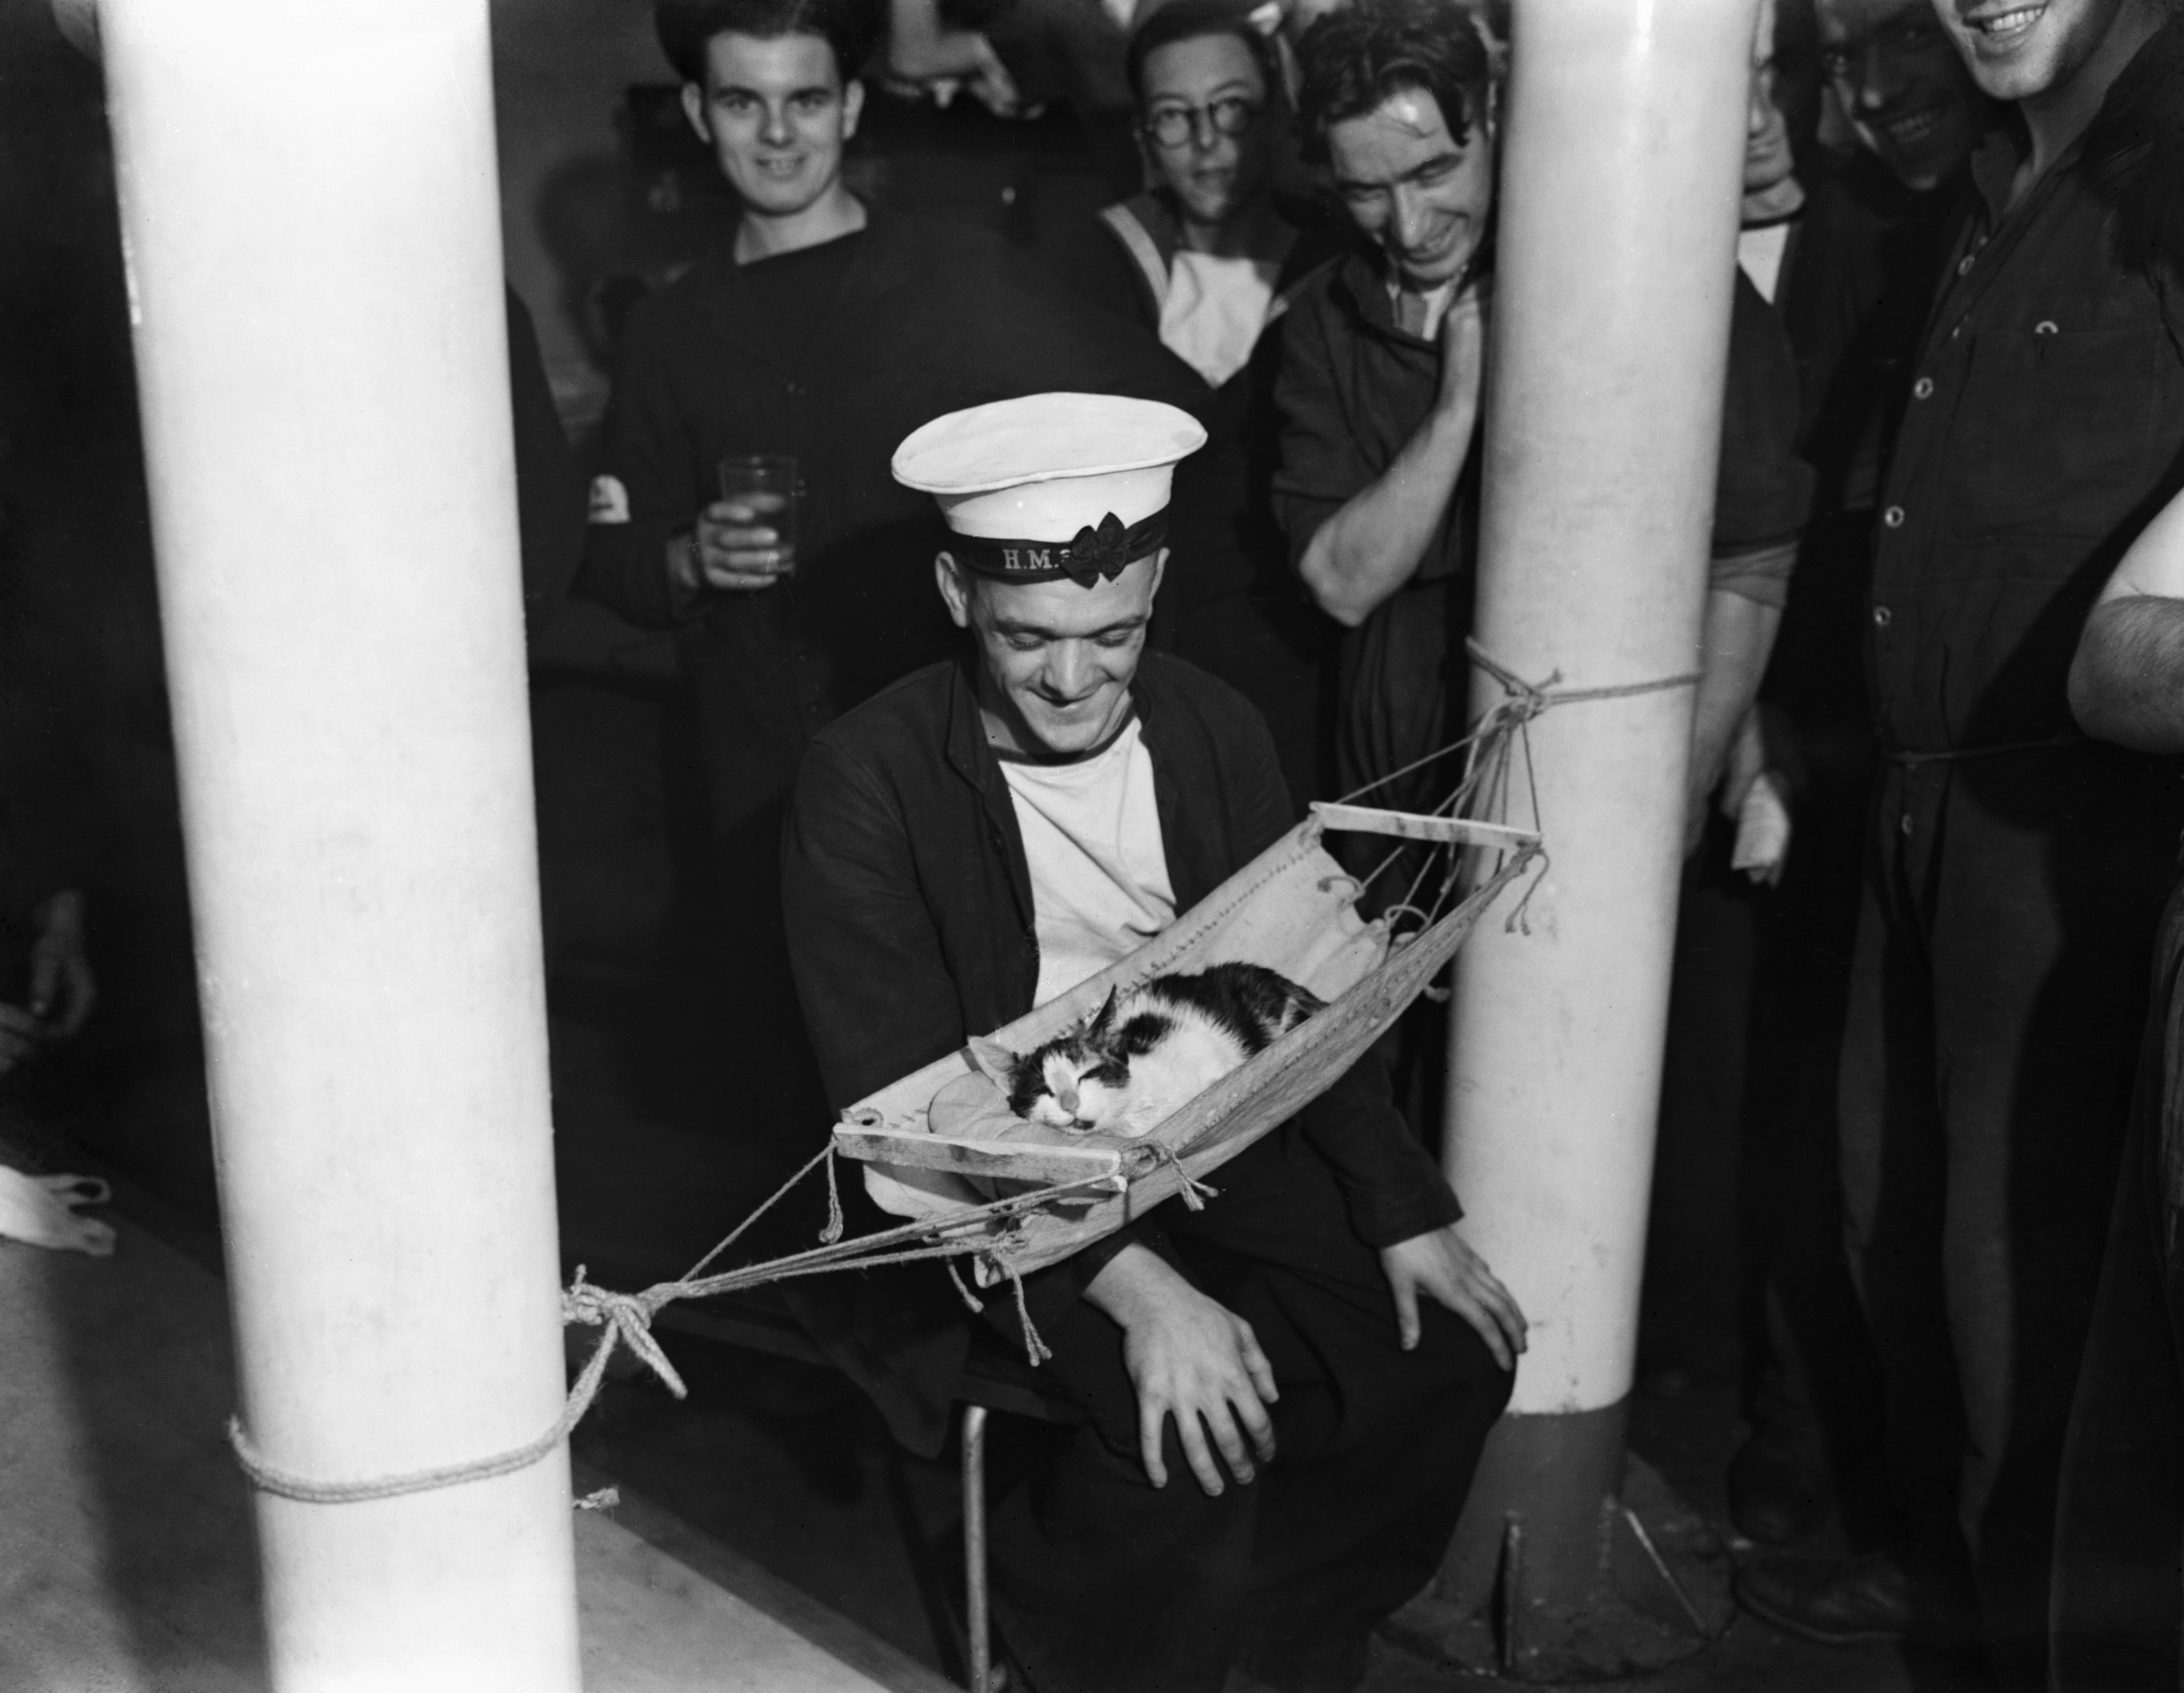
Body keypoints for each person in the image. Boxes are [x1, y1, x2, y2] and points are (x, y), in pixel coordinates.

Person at [781, 393, 1524, 1693]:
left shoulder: (1213, 725)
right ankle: (1082, 1652)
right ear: (957, 592)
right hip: (988, 1184)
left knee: (1446, 1354)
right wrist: (1136, 1288)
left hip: (1212, 1130)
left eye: (1112, 634)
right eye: (1029, 638)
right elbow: (908, 1105)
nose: (1073, 681)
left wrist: (1403, 1206)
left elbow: (1305, 998)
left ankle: (1278, 1637)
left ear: (1160, 586)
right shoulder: (866, 779)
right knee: (1169, 1416)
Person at [1731, 2, 2184, 1681]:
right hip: (1917, 799)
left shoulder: (2170, 150)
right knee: (1889, 1225)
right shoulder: (1993, 164)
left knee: (2028, 1288)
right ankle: (1958, 1591)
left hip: (2080, 837)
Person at [578, 0, 1205, 1179]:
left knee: (979, 1073)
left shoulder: (950, 273)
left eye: (805, 99)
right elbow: (605, 553)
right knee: (799, 1097)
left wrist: (1081, 595)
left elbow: (1166, 416)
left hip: (943, 758)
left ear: (852, 106)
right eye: (744, 102)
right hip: (752, 776)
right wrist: (680, 557)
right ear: (701, 115)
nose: (777, 134)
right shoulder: (671, 327)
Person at [1274, 0, 1808, 846]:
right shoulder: (1324, 321)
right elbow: (1343, 582)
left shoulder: (1646, 259)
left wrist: (1687, 775)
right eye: (1366, 192)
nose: (1408, 227)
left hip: (1593, 772)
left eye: (1433, 173)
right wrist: (1459, 402)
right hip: (1395, 794)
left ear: (1492, 116)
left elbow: (1756, 555)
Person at [1717, 0, 1990, 1552]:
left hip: (1910, 749)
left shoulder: (1924, 235)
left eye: (1910, 66)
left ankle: (1855, 1492)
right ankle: (1799, 1479)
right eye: (1852, 73)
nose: (1879, 101)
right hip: (1822, 739)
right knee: (1824, 1137)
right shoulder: (1868, 248)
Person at [1074, 0, 1343, 803]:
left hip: (1300, 668)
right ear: (1142, 139)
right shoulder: (1094, 263)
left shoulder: (1335, 263)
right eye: (1174, 117)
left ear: (1276, 116)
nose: (1207, 142)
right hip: (1137, 671)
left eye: (1232, 110)